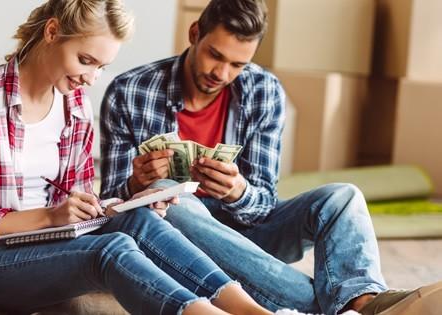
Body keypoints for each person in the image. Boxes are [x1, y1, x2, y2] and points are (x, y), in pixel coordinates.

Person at [99, 0, 442, 314]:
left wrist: (237, 191)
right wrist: (136, 182)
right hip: (178, 234)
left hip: (248, 230)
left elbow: (263, 204)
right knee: (172, 198)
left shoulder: (264, 91)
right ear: (194, 34)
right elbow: (110, 207)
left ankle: (362, 300)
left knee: (343, 197)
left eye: (237, 64)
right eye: (215, 55)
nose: (221, 73)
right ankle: (343, 310)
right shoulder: (130, 90)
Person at [0, 1, 278, 314]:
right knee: (110, 250)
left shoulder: (75, 104)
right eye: (85, 60)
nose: (91, 78)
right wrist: (49, 217)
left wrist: (128, 202)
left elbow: (82, 206)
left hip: (52, 243)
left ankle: (253, 311)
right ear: (52, 32)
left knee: (141, 221)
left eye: (101, 67)